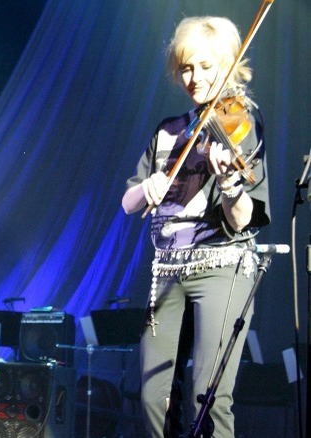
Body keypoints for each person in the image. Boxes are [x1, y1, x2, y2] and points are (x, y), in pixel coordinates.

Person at [121, 16, 270, 437]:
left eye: (206, 66)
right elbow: (128, 202)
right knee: (152, 395)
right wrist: (148, 185)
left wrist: (228, 182)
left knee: (209, 397)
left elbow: (241, 219)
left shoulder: (239, 122)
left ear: (226, 65)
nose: (194, 77)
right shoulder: (169, 131)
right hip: (167, 271)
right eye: (186, 67)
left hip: (222, 267)